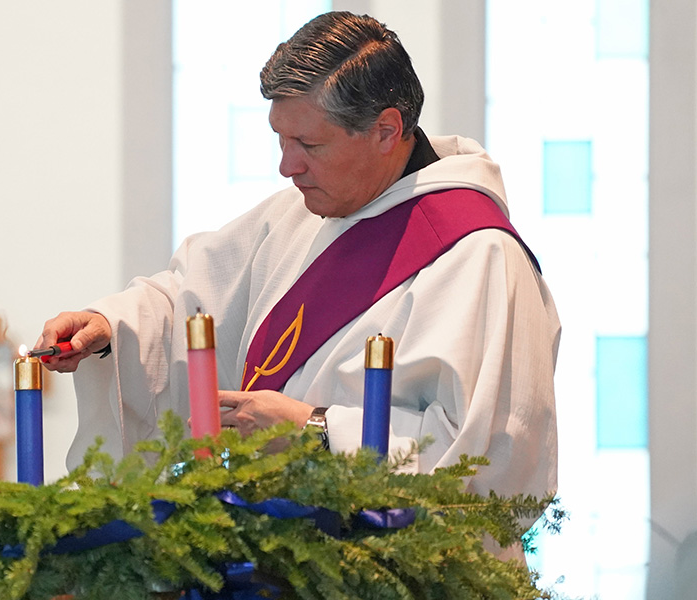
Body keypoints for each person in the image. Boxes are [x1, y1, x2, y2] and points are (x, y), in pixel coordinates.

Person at [36, 12, 559, 558]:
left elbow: (496, 461)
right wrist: (109, 326)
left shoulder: (479, 255)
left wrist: (315, 433)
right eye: (280, 140)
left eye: (309, 144)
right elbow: (187, 300)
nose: (287, 166)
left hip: (401, 573)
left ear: (386, 129)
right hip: (271, 562)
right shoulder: (299, 215)